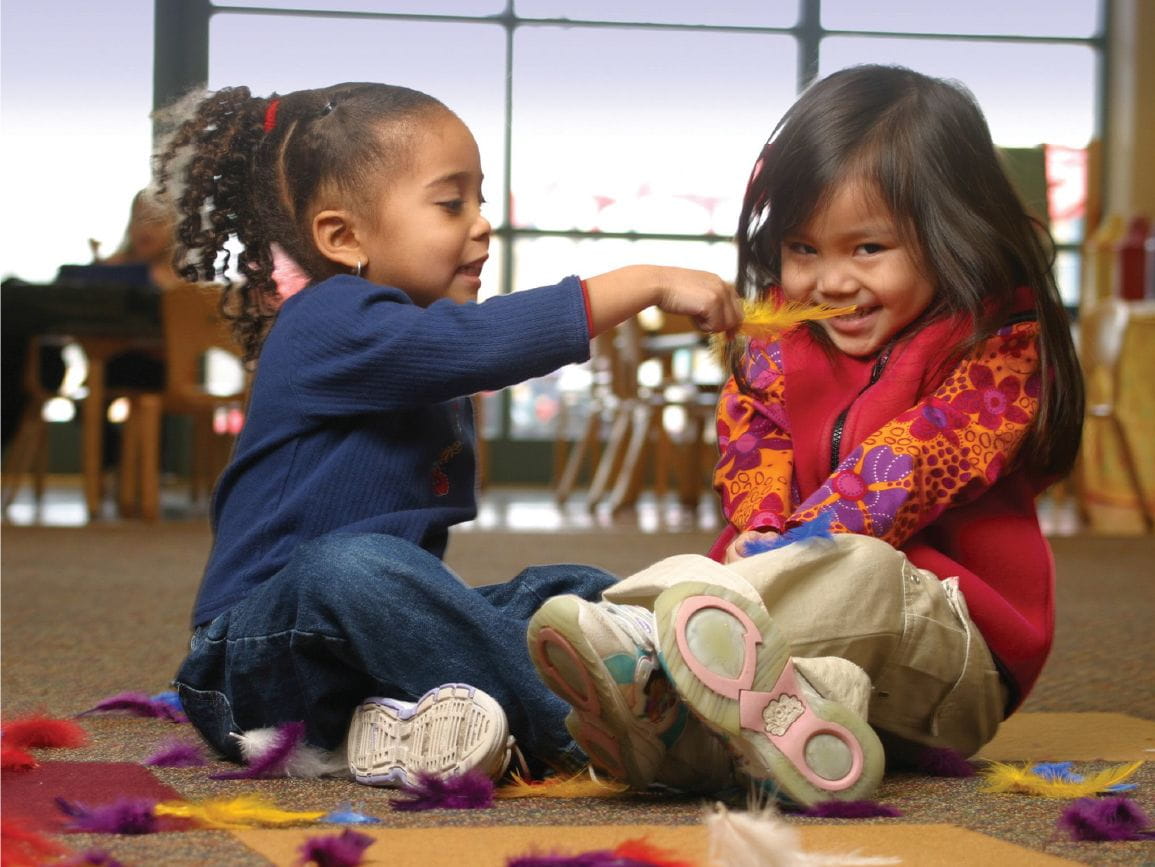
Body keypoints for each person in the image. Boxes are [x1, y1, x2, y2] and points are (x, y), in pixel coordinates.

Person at [155, 81, 743, 787]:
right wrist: (642, 281)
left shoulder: (403, 337)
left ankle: (687, 683)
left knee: (562, 588)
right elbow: (480, 342)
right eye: (450, 202)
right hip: (254, 662)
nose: (481, 224)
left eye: (481, 200)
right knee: (351, 567)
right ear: (343, 238)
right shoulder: (328, 319)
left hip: (359, 657)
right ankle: (601, 727)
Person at [527, 64, 1084, 806]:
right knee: (732, 597)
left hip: (952, 659)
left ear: (950, 231)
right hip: (797, 647)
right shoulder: (779, 339)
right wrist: (759, 525)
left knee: (857, 564)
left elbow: (915, 460)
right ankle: (739, 735)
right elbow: (751, 440)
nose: (828, 281)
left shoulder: (997, 342)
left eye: (867, 249)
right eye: (802, 248)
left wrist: (795, 537)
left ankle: (653, 664)